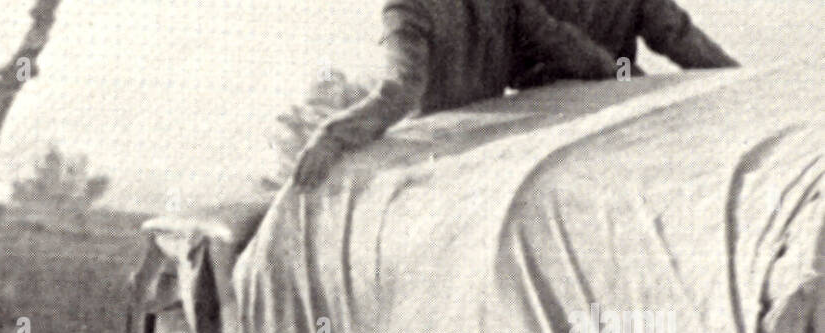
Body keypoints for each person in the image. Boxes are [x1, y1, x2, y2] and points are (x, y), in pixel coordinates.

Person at [294, 0, 621, 189]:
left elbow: (402, 89)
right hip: (487, 129)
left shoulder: (408, 7)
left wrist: (332, 137)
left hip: (437, 137)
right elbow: (563, 43)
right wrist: (616, 73)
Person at [514, 0, 737, 87]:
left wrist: (734, 77)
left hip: (610, 79)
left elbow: (673, 30)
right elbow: (676, 33)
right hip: (548, 88)